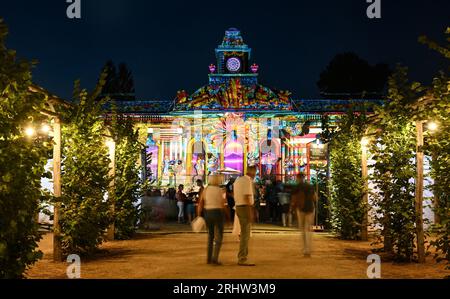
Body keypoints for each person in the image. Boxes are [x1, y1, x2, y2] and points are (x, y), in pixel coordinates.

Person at [197, 175, 226, 265]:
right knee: (219, 237)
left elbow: (200, 203)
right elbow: (223, 203)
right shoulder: (220, 190)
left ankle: (208, 258)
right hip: (217, 212)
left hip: (208, 213)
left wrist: (199, 215)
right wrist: (227, 216)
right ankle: (215, 258)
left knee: (210, 236)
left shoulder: (205, 190)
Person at [233, 165, 257, 266]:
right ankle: (242, 257)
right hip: (244, 207)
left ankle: (243, 256)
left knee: (244, 233)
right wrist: (250, 212)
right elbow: (247, 196)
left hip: (238, 206)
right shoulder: (248, 181)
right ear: (253, 172)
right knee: (245, 234)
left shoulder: (238, 180)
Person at [290, 173, 317, 257]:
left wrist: (292, 208)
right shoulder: (310, 186)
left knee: (302, 229)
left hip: (301, 209)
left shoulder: (296, 187)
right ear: (304, 177)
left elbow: (293, 199)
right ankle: (308, 249)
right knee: (308, 229)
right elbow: (315, 198)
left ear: (298, 178)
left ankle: (305, 248)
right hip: (310, 208)